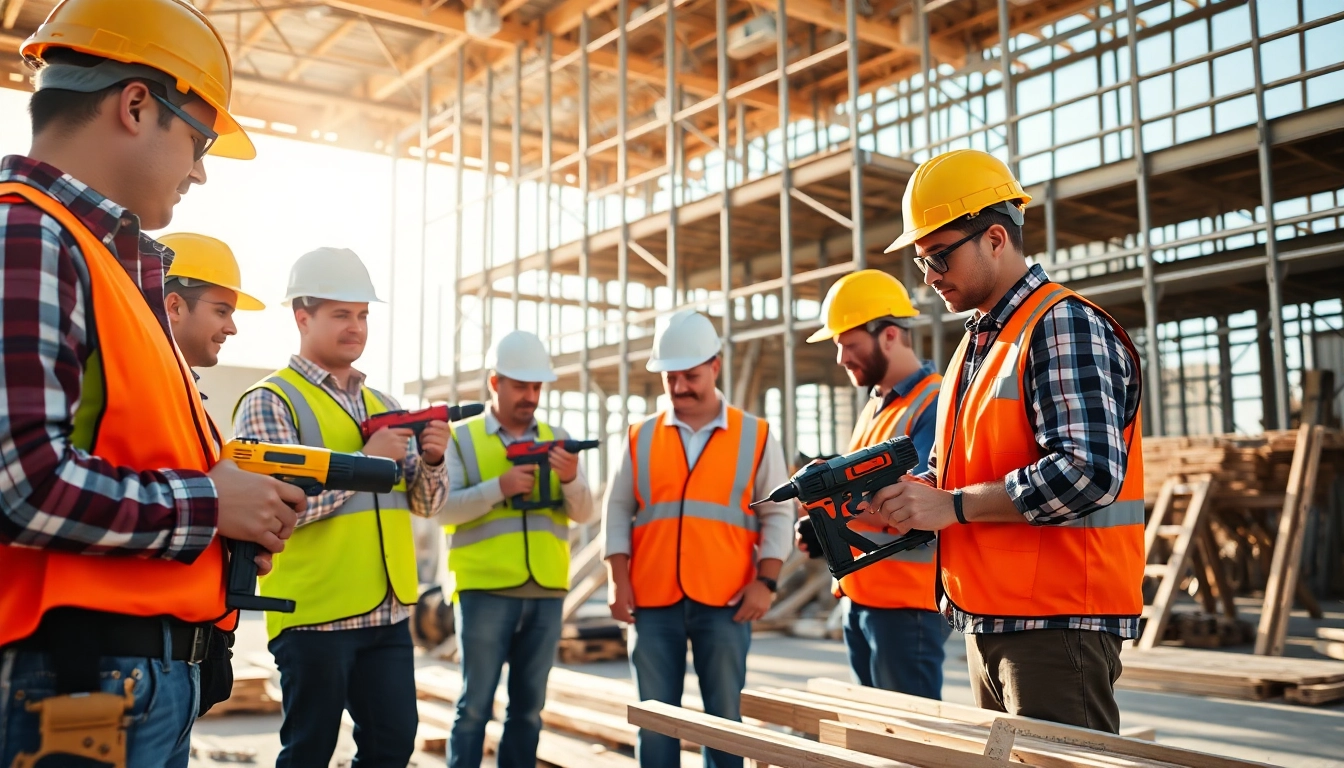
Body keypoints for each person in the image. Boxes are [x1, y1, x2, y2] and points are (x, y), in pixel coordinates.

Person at [0, 1, 303, 766]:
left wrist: (226, 514)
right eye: (197, 141)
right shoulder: (29, 234)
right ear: (136, 104)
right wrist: (211, 505)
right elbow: (21, 482)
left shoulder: (99, 262)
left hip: (124, 675)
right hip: (76, 680)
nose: (199, 170)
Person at [862, 149, 1144, 733]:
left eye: (939, 256)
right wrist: (919, 495)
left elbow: (1088, 472)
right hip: (991, 617)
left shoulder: (1060, 323)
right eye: (921, 262)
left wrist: (953, 505)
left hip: (1056, 626)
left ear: (995, 238)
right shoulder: (980, 341)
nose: (930, 277)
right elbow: (965, 467)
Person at [232, 247, 451, 767]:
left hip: (389, 611)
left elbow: (426, 504)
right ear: (301, 317)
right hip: (314, 616)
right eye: (341, 314)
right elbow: (269, 508)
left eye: (363, 315)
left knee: (391, 746)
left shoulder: (388, 406)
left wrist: (436, 460)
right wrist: (364, 463)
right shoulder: (272, 401)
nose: (356, 327)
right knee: (308, 752)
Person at [602, 308, 793, 768]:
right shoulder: (639, 436)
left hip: (727, 599)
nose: (680, 387)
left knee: (724, 722)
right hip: (652, 599)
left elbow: (779, 514)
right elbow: (617, 508)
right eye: (671, 378)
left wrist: (765, 583)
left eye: (690, 376)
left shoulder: (757, 435)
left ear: (715, 366)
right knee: (655, 720)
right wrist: (617, 580)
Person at [441, 329, 596, 768]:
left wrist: (570, 479)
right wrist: (498, 488)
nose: (530, 396)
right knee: (474, 707)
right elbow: (441, 510)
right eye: (520, 386)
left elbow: (583, 513)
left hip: (545, 591)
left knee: (527, 711)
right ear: (495, 383)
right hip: (483, 589)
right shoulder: (461, 438)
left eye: (536, 387)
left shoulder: (557, 435)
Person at [800, 269, 949, 698]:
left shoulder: (932, 402)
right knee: (876, 735)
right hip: (863, 596)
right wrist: (825, 529)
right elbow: (858, 493)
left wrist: (833, 517)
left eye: (849, 345)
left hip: (906, 606)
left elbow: (915, 499)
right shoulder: (875, 407)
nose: (842, 358)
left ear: (888, 335)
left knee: (911, 740)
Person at [162, 232, 265, 370]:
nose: (232, 329)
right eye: (221, 312)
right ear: (175, 307)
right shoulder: (139, 380)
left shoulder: (170, 382)